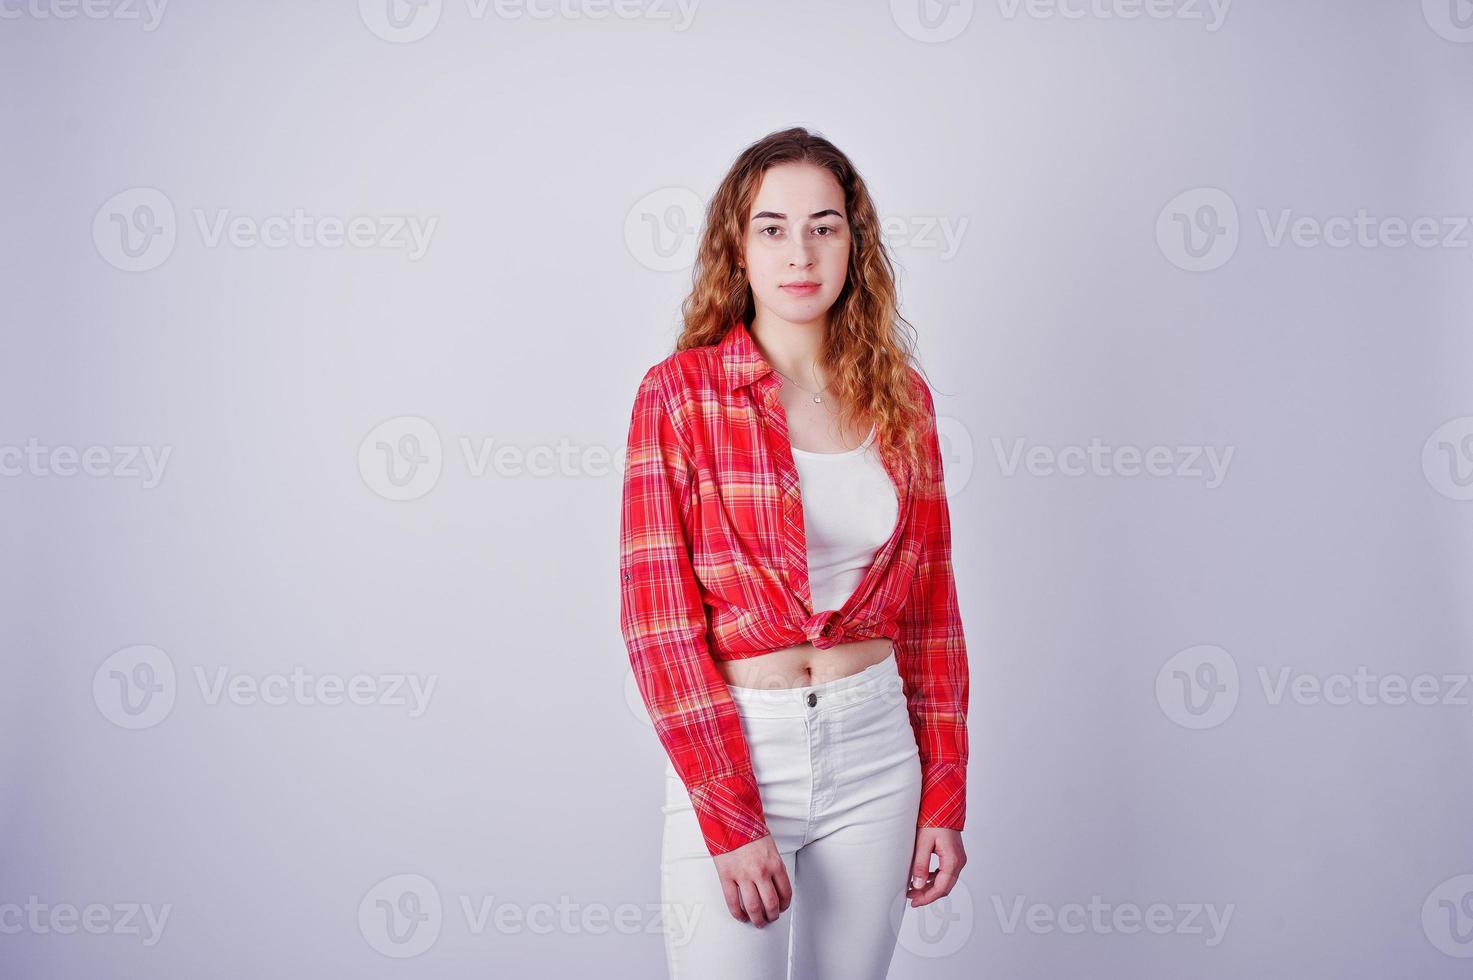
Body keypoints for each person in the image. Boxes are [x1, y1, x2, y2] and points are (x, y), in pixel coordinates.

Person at [618, 126, 970, 979]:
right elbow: (657, 625)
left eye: (824, 225)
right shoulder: (680, 396)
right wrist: (731, 815)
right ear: (736, 248)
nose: (800, 252)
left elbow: (930, 614)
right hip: (745, 747)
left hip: (878, 752)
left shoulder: (899, 398)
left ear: (855, 244)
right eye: (771, 227)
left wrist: (944, 797)